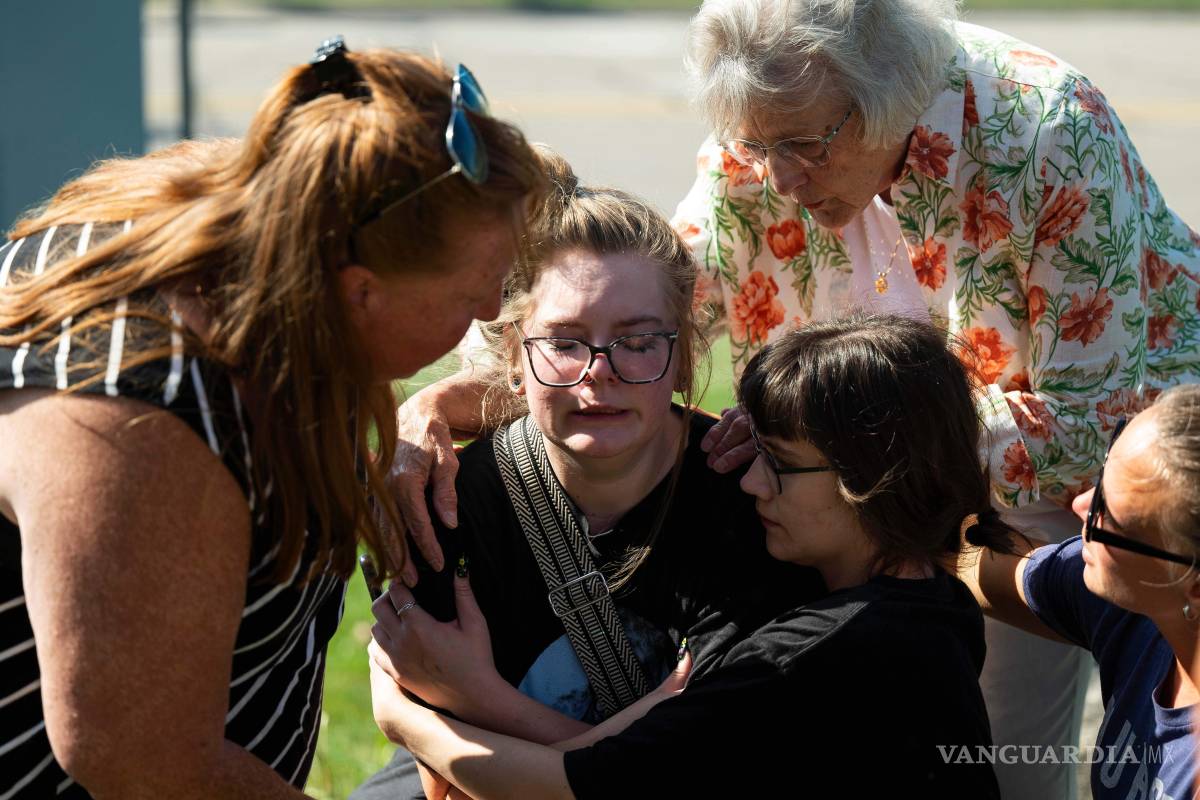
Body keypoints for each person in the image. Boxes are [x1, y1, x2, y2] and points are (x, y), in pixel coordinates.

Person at [391, 3, 1200, 796]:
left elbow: (1089, 416)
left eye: (804, 145)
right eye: (756, 146)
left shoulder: (1049, 132)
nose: (776, 176)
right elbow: (645, 331)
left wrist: (842, 451)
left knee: (999, 743)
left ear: (888, 98)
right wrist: (438, 407)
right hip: (841, 487)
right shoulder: (770, 118)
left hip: (1067, 494)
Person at [0, 37, 546, 798]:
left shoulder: (274, 224)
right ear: (360, 294)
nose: (490, 309)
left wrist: (418, 411)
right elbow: (139, 761)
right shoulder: (138, 419)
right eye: (473, 293)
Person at [368, 312, 1008, 798]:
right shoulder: (935, 604)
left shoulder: (823, 652)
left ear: (872, 478)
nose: (751, 482)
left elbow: (584, 783)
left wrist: (421, 711)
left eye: (780, 465)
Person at [351, 153, 820, 800]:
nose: (599, 372)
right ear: (513, 358)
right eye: (565, 343)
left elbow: (709, 762)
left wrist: (480, 698)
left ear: (683, 355)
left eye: (637, 341)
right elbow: (445, 786)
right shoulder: (448, 500)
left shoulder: (748, 500)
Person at [958, 384, 1200, 798]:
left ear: (1191, 584)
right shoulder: (1135, 609)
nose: (1080, 504)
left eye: (1107, 509)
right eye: (1106, 468)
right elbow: (971, 563)